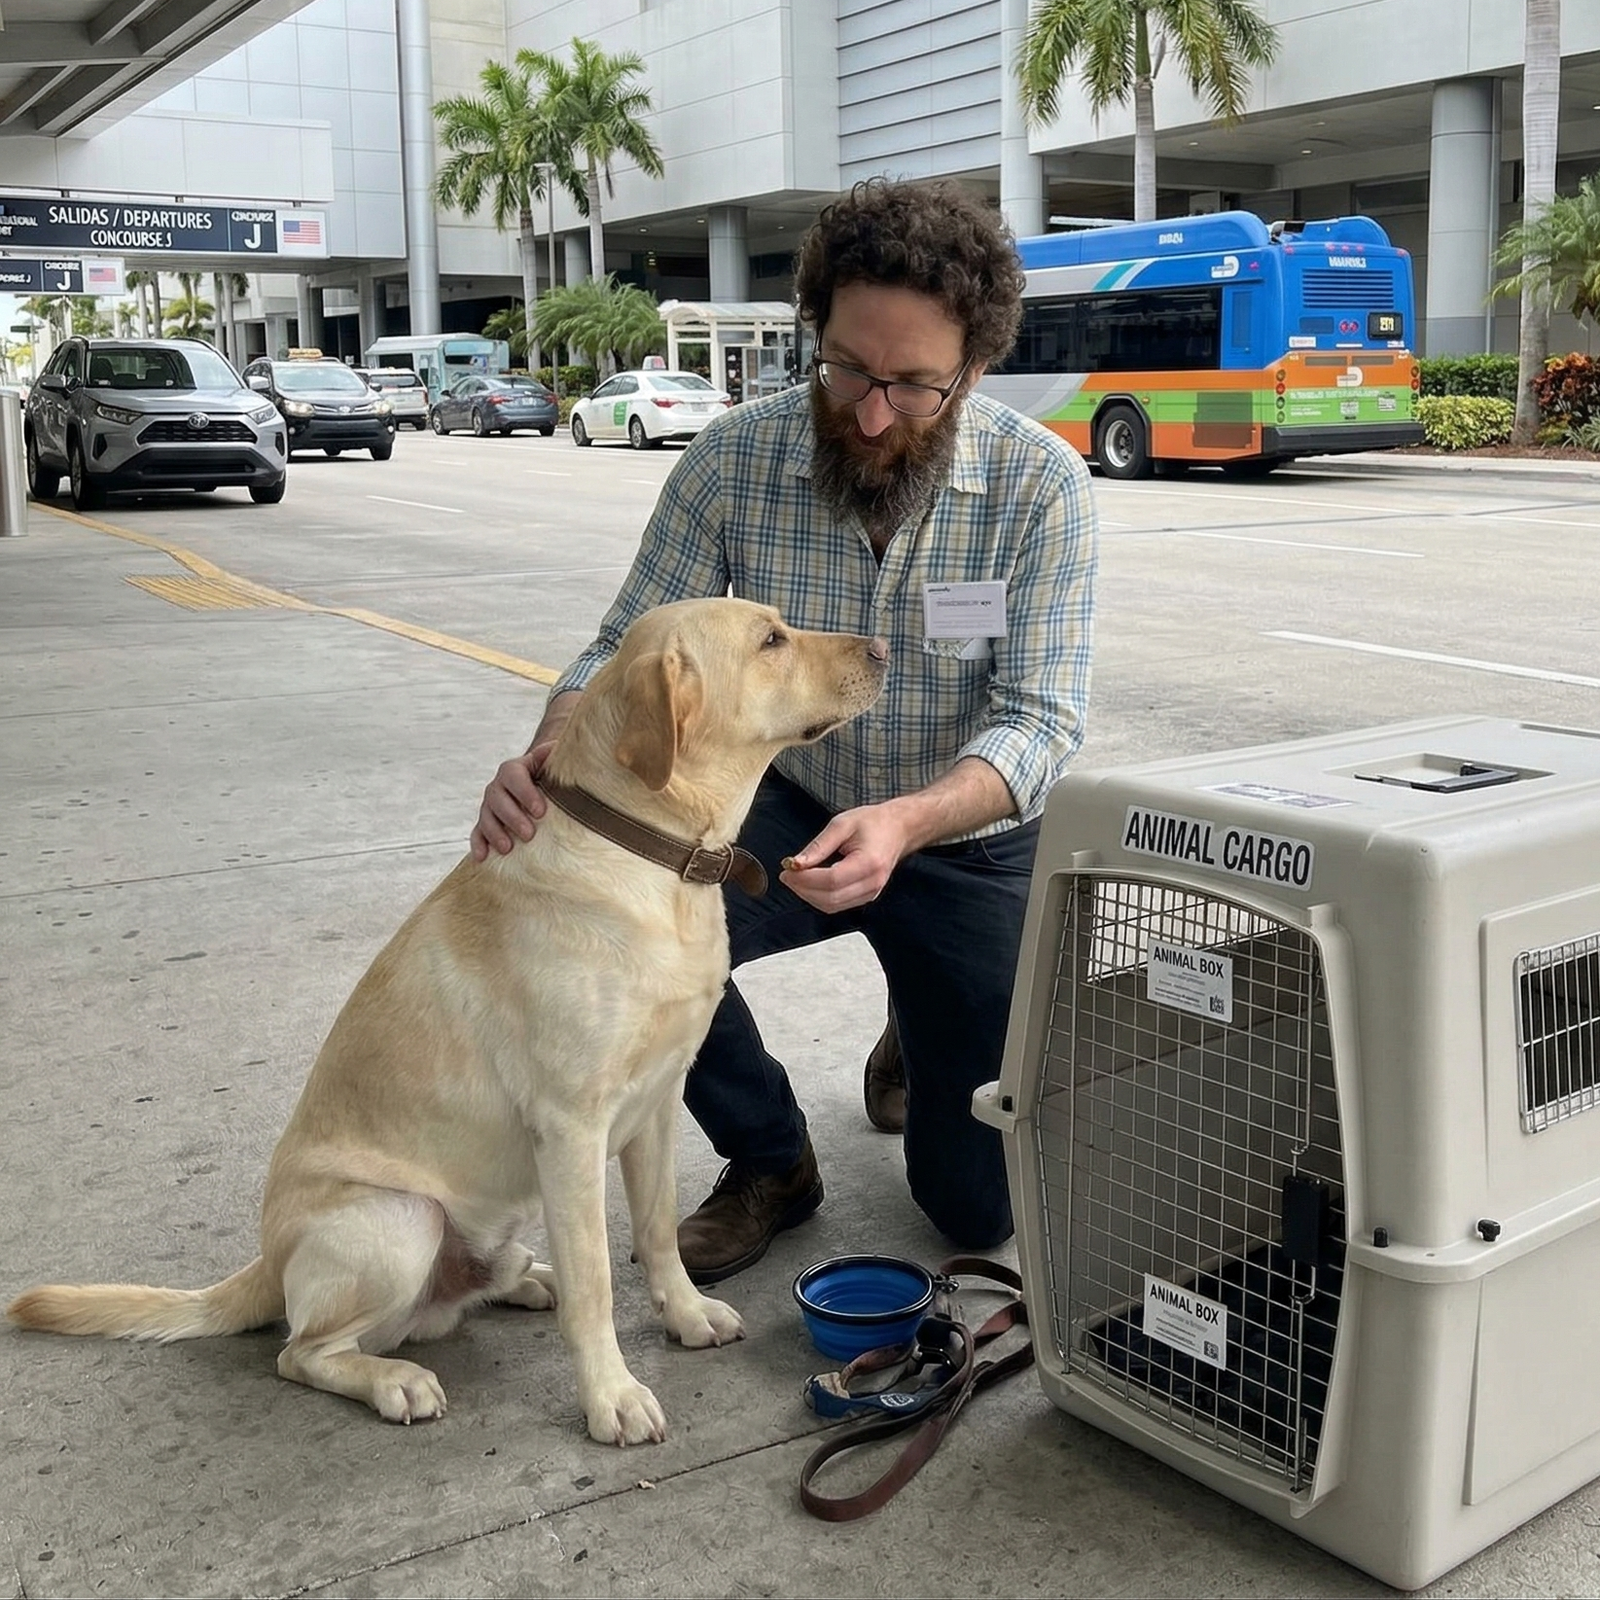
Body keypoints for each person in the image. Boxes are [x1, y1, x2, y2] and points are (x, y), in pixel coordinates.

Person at [472, 177, 1097, 1285]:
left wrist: (905, 823)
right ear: (817, 330)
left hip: (964, 834)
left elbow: (1040, 719)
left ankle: (925, 1005)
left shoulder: (1040, 487)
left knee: (970, 1209)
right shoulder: (731, 460)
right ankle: (771, 1156)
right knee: (620, 930)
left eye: (911, 387)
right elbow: (626, 639)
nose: (867, 412)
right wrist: (551, 748)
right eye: (848, 369)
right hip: (785, 801)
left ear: (974, 371)